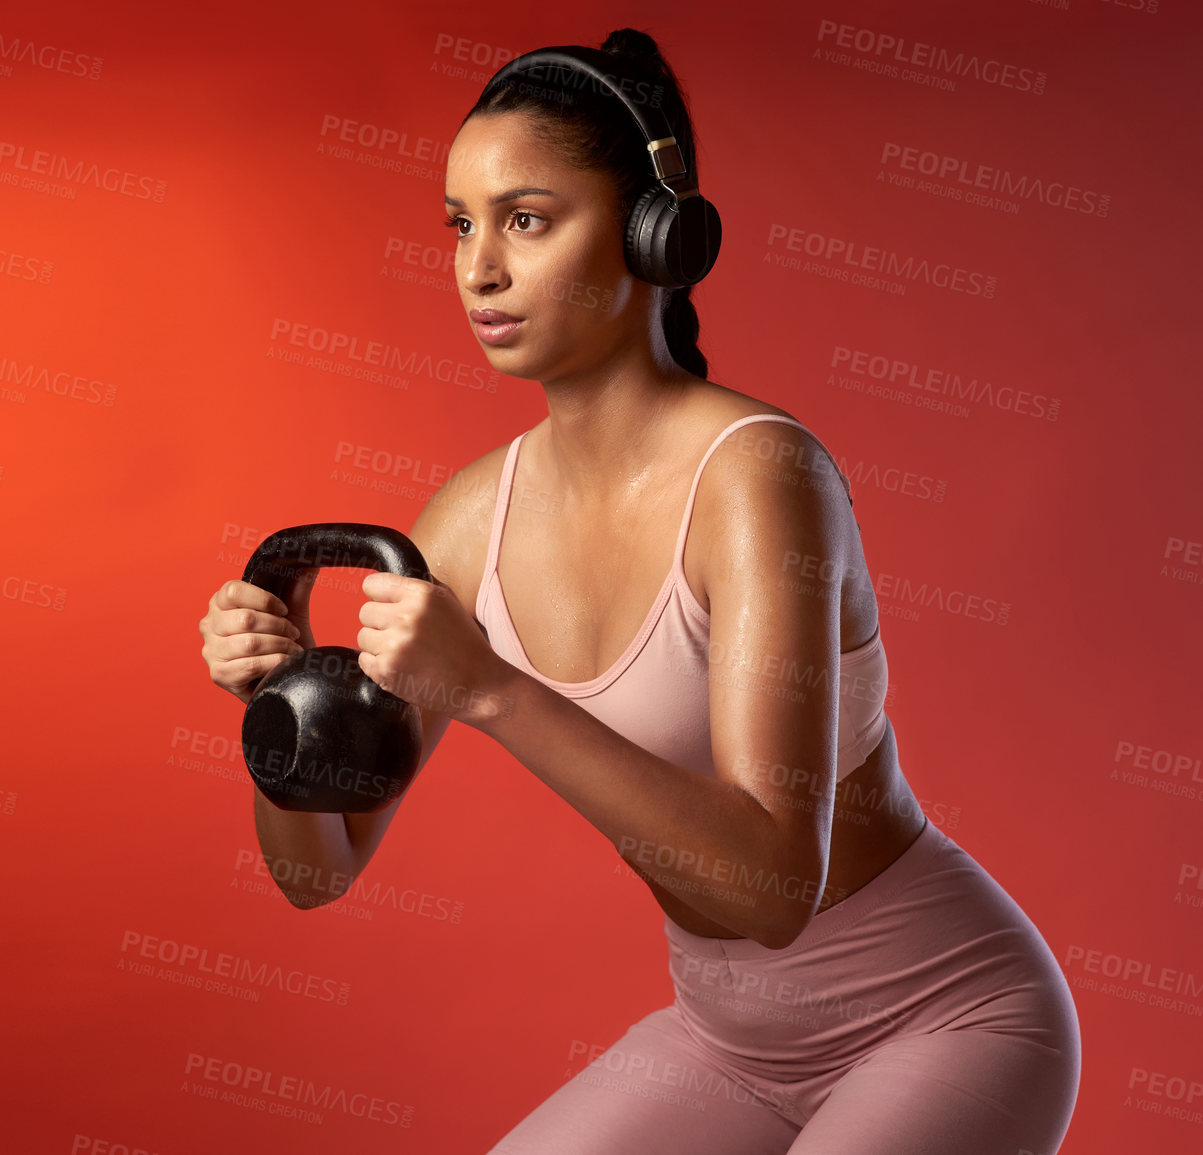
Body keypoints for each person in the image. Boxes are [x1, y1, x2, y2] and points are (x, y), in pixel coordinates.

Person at [199, 27, 1080, 1155]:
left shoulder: (760, 476)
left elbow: (771, 887)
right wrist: (279, 712)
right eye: (461, 225)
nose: (479, 269)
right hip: (727, 1042)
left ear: (653, 234)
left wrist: (490, 689)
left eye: (526, 219)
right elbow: (315, 876)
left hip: (945, 1020)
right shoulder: (470, 521)